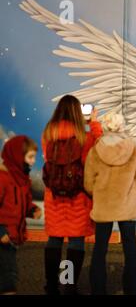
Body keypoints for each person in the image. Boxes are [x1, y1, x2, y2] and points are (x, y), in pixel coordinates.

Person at [42, 95, 102, 295]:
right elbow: (98, 150)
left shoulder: (48, 134)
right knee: (75, 242)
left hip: (54, 197)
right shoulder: (84, 137)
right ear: (78, 112)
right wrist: (93, 123)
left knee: (55, 240)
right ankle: (69, 285)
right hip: (78, 197)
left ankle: (51, 286)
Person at [85, 112, 136, 295]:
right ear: (122, 126)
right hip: (128, 207)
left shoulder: (95, 151)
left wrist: (98, 195)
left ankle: (98, 289)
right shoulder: (133, 149)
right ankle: (132, 289)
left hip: (103, 207)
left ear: (105, 127)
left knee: (99, 250)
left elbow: (88, 182)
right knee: (130, 250)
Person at [0, 136, 42, 295]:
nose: (32, 161)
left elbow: (20, 203)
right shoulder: (3, 178)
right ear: (18, 156)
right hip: (3, 236)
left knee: (10, 273)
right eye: (30, 157)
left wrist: (32, 210)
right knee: (8, 277)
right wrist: (1, 232)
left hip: (11, 236)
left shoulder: (22, 180)